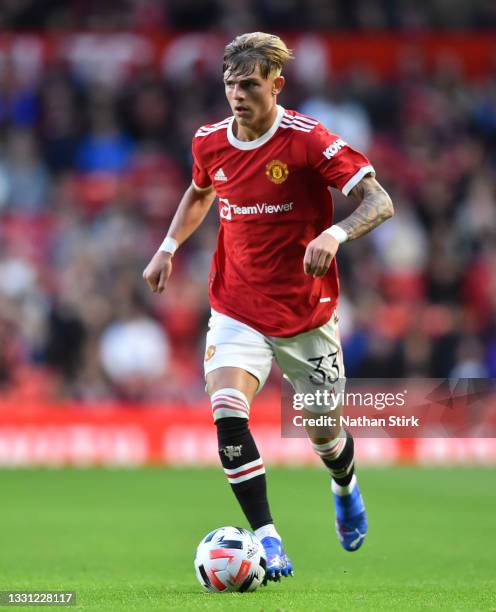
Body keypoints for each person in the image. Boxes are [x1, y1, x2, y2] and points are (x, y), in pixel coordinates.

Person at [143, 32, 394, 583]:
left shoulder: (309, 141)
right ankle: (268, 539)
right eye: (230, 84)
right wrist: (167, 247)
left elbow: (380, 200)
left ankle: (345, 486)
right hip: (236, 305)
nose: (238, 94)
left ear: (276, 85)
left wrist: (336, 233)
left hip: (307, 315)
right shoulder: (209, 141)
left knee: (324, 433)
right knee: (228, 410)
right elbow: (200, 191)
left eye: (250, 84)